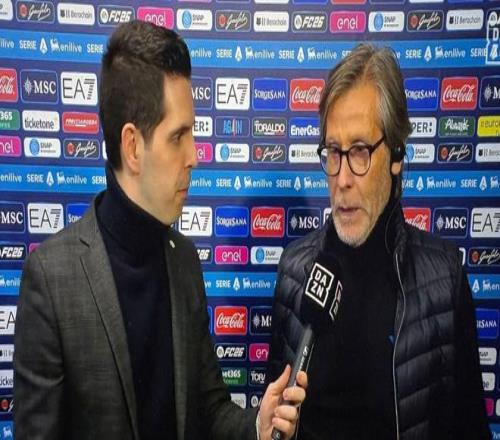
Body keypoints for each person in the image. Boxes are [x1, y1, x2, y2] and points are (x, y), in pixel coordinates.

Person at [14, 20, 306, 440]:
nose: (194, 156)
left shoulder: (183, 260)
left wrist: (258, 425)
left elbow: (210, 410)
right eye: (178, 136)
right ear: (133, 146)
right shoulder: (51, 279)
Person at [266, 43, 490, 440]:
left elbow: (470, 429)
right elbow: (273, 422)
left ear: (397, 155)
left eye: (359, 151)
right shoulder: (295, 273)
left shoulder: (444, 281)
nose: (342, 178)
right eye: (333, 152)